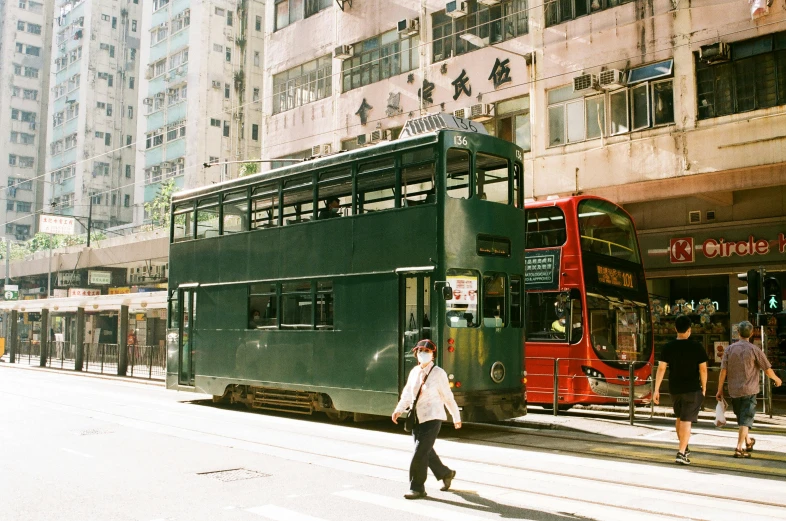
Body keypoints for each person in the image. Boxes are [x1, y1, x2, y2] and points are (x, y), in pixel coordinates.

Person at [392, 339, 461, 500]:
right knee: (426, 451)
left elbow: (448, 397)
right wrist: (399, 409)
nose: (423, 354)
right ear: (416, 354)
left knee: (419, 453)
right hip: (417, 418)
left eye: (427, 351)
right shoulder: (414, 371)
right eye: (420, 351)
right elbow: (408, 394)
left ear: (433, 355)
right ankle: (446, 473)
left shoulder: (439, 373)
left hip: (433, 417)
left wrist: (456, 416)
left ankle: (417, 488)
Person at [716, 321, 782, 458]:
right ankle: (739, 448)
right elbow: (767, 369)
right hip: (750, 390)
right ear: (751, 334)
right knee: (745, 420)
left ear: (738, 333)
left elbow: (723, 371)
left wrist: (719, 389)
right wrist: (777, 379)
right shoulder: (754, 350)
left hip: (734, 390)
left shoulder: (729, 349)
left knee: (742, 418)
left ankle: (748, 441)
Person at [653, 315, 708, 465]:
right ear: (689, 330)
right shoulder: (697, 347)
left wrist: (656, 390)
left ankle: (684, 446)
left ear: (675, 329)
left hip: (674, 389)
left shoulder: (668, 347)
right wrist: (704, 388)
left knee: (679, 417)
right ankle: (681, 452)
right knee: (686, 420)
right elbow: (703, 370)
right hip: (692, 388)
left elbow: (661, 368)